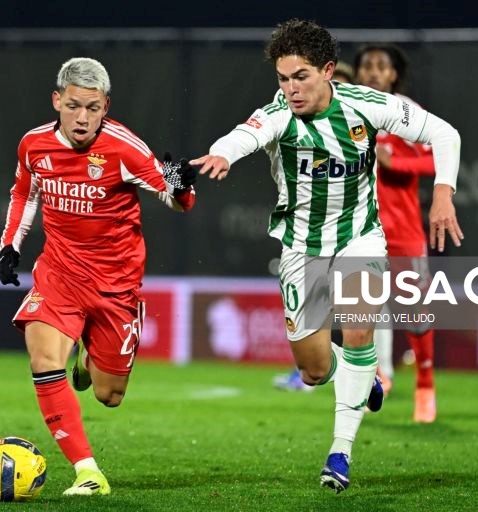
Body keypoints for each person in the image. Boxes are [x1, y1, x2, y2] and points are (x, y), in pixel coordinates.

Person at [191, 19, 462, 493]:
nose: (290, 89)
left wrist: (442, 194)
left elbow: (446, 135)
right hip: (301, 248)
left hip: (361, 238)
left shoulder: (367, 104)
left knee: (359, 330)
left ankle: (340, 452)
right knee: (314, 370)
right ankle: (363, 381)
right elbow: (243, 136)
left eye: (301, 77)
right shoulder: (279, 113)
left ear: (329, 71)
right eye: (282, 77)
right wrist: (222, 155)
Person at [0, 57, 196, 497]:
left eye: (92, 107)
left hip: (115, 287)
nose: (82, 117)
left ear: (106, 106)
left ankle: (88, 360)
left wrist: (181, 186)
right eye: (72, 106)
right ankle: (88, 472)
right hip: (59, 275)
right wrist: (10, 244)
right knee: (43, 358)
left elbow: (177, 199)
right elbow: (23, 194)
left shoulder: (124, 147)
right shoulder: (33, 145)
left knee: (109, 395)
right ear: (56, 100)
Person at [355, 43, 439, 423]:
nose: (373, 71)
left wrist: (398, 162)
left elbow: (441, 153)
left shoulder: (404, 113)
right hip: (357, 232)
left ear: (393, 75)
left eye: (381, 66)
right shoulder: (346, 110)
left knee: (415, 313)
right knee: (359, 311)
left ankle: (425, 382)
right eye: (366, 65)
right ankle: (375, 378)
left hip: (403, 232)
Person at [272, 60, 355, 394]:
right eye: (286, 79)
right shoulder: (286, 116)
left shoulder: (362, 123)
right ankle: (355, 369)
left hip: (355, 233)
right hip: (304, 237)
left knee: (358, 315)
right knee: (313, 370)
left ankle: (368, 368)